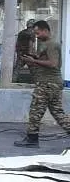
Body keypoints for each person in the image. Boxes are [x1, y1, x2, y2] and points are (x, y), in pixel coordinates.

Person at [15, 20, 70, 148]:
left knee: (35, 111)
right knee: (58, 112)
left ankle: (32, 139)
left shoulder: (52, 44)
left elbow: (53, 63)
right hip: (52, 83)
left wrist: (34, 61)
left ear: (45, 30)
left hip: (47, 84)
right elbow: (45, 60)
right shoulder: (44, 44)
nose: (36, 36)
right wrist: (32, 58)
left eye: (38, 33)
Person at [14, 19, 37, 84]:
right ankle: (36, 82)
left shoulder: (21, 32)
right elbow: (31, 44)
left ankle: (13, 81)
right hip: (28, 54)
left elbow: (17, 44)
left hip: (21, 53)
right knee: (34, 70)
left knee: (17, 69)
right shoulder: (32, 33)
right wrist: (32, 54)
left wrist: (18, 53)